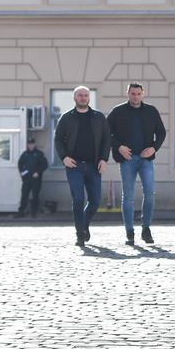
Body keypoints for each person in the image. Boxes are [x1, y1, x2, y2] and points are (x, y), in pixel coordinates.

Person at [108, 81, 166, 246]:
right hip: (127, 159)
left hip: (146, 159)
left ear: (143, 94)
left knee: (150, 193)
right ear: (127, 93)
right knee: (128, 197)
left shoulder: (151, 111)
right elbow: (106, 132)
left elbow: (161, 132)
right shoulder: (117, 112)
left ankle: (146, 229)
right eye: (132, 93)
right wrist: (119, 146)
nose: (135, 96)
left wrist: (154, 148)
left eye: (138, 93)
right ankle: (129, 232)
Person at [53, 86, 110, 245]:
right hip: (74, 166)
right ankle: (80, 235)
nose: (83, 98)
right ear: (74, 98)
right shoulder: (66, 117)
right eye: (80, 95)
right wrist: (64, 157)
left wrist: (104, 159)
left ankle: (84, 225)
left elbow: (106, 140)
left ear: (89, 98)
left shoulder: (99, 117)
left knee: (95, 201)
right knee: (78, 199)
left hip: (94, 165)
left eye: (86, 95)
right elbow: (58, 139)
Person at [16, 138, 48, 218]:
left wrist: (38, 172)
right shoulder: (25, 154)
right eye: (29, 144)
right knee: (24, 195)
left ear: (35, 144)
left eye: (32, 144)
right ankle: (21, 212)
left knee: (35, 196)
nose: (30, 146)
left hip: (36, 179)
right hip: (26, 179)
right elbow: (20, 164)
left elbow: (45, 165)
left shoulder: (39, 154)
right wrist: (22, 173)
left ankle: (34, 212)